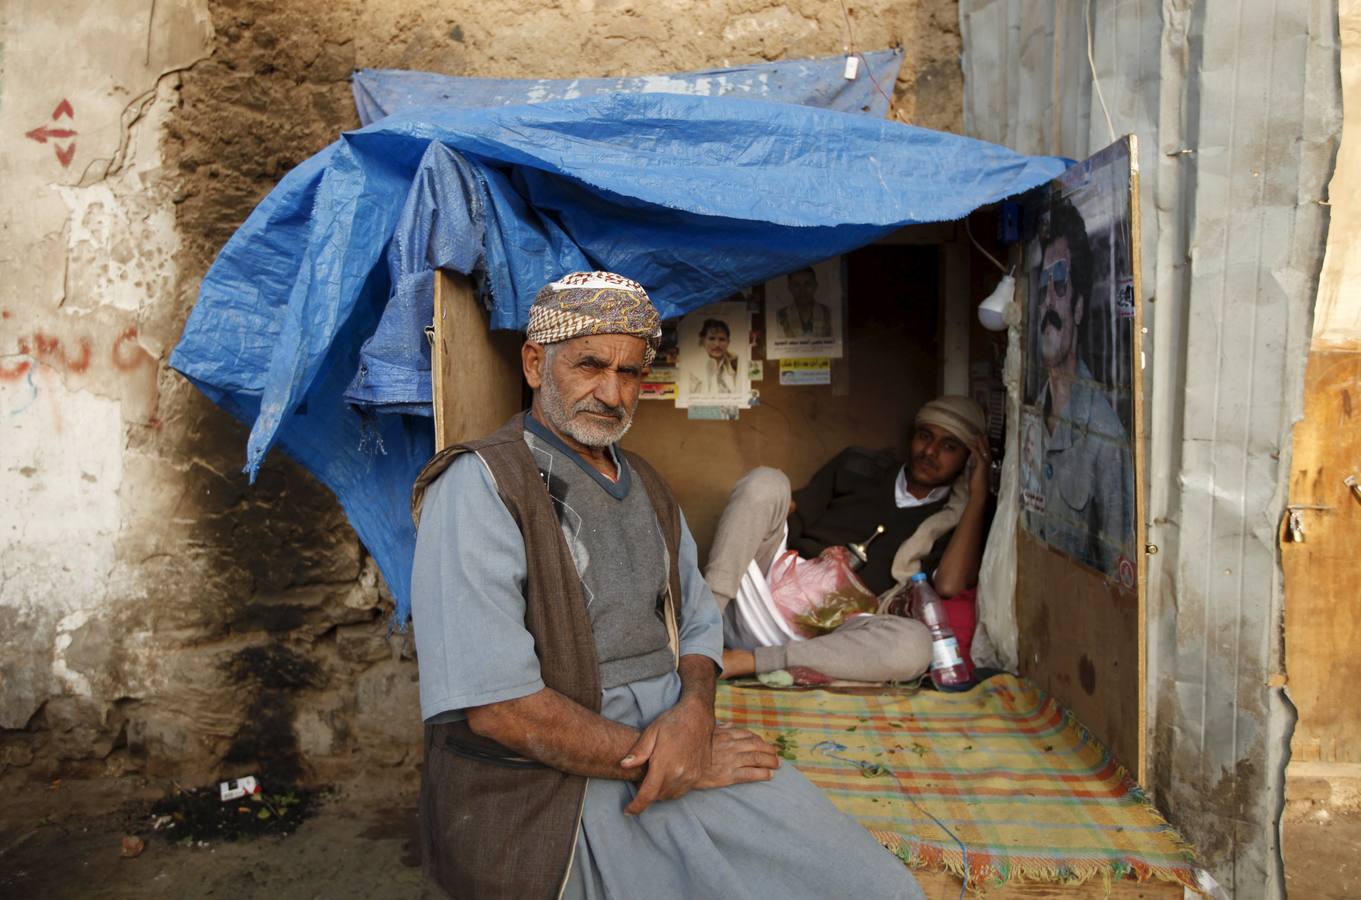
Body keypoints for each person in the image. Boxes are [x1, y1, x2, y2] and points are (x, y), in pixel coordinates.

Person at [410, 271, 923, 900]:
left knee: (873, 886)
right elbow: (498, 708)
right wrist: (675, 759)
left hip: (674, 734)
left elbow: (701, 620)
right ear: (535, 363)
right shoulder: (479, 483)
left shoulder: (647, 484)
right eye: (590, 365)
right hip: (553, 783)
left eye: (629, 373)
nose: (611, 392)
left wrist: (696, 711)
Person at [709, 397, 992, 683]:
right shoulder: (859, 466)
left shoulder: (952, 519)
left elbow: (948, 584)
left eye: (949, 447)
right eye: (925, 436)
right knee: (766, 481)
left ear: (968, 460)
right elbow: (793, 513)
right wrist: (767, 501)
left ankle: (746, 662)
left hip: (830, 638)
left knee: (915, 645)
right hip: (765, 590)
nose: (930, 451)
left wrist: (978, 496)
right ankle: (704, 627)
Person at [1024, 194, 1134, 577]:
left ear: (1080, 307)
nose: (1047, 303)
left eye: (1059, 283)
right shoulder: (1031, 419)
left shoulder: (1105, 440)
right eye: (1043, 288)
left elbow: (1119, 572)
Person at [775, 266, 834, 338]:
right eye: (797, 285)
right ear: (790, 288)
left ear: (815, 286)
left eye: (807, 284)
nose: (802, 290)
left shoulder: (829, 313)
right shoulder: (779, 316)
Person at [687, 317, 740, 395]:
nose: (717, 344)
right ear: (703, 341)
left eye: (722, 339)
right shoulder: (692, 370)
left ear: (728, 342)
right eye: (711, 338)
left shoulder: (733, 367)